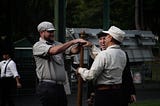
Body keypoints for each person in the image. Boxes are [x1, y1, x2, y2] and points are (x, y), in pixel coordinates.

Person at [32, 21, 87, 106]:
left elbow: (74, 51)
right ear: (41, 32)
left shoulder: (58, 44)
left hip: (60, 86)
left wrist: (79, 45)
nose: (52, 33)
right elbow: (54, 50)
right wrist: (73, 41)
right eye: (49, 31)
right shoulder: (38, 46)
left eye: (53, 31)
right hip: (47, 86)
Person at [77, 26, 135, 106]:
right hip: (118, 94)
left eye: (106, 36)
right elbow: (107, 57)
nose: (104, 40)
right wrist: (91, 46)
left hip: (104, 95)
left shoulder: (104, 55)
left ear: (110, 38)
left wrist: (80, 70)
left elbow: (90, 76)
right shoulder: (122, 54)